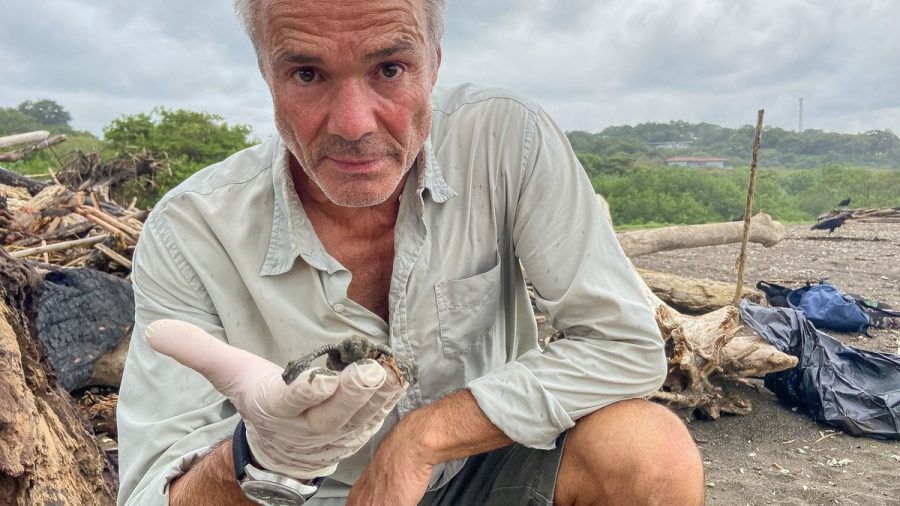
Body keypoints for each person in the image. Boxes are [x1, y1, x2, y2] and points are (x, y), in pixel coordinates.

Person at [116, 0, 705, 504]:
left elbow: (625, 345)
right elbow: (148, 491)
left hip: (481, 469)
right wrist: (263, 454)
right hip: (297, 499)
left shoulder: (504, 141)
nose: (352, 124)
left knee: (648, 453)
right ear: (266, 74)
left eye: (390, 68)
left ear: (435, 63)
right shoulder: (188, 231)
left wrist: (421, 439)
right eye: (306, 74)